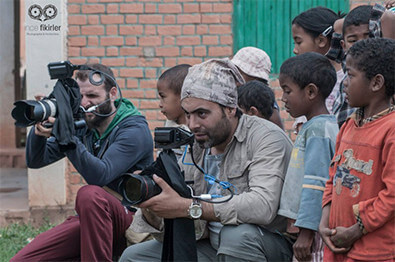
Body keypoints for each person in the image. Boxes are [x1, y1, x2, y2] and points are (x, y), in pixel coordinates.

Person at [120, 58, 294, 261]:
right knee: (134, 257)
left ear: (230, 108)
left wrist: (188, 208)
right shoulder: (194, 144)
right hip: (212, 244)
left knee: (236, 236)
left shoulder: (266, 137)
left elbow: (262, 206)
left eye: (201, 113)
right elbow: (176, 217)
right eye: (188, 114)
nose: (192, 124)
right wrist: (153, 204)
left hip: (267, 244)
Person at [11, 64, 154, 261]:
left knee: (90, 194)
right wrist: (40, 129)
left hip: (131, 217)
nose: (84, 103)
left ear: (112, 94)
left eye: (92, 96)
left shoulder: (133, 129)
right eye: (80, 97)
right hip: (95, 219)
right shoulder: (85, 124)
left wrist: (67, 137)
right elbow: (36, 160)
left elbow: (99, 175)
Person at [319, 38, 395, 261]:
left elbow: (392, 196)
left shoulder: (390, 129)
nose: (344, 83)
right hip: (337, 243)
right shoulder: (350, 125)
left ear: (376, 83)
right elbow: (333, 177)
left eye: (350, 76)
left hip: (373, 251)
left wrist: (355, 231)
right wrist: (325, 221)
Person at [277, 52, 339, 262]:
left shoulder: (318, 130)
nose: (283, 98)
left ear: (311, 91)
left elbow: (317, 185)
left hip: (313, 233)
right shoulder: (318, 126)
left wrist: (306, 232)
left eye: (287, 91)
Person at [331, 5, 373, 128]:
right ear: (343, 46)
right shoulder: (347, 65)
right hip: (341, 138)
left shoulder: (384, 70)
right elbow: (338, 25)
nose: (361, 45)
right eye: (353, 40)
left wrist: (384, 13)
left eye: (369, 37)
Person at [231, 46, 284, 129]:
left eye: (239, 74)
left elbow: (278, 133)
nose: (235, 78)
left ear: (257, 79)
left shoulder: (265, 103)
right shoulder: (231, 92)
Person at [156, 64, 191, 159]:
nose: (160, 104)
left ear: (182, 96)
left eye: (163, 97)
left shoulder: (198, 132)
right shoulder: (169, 127)